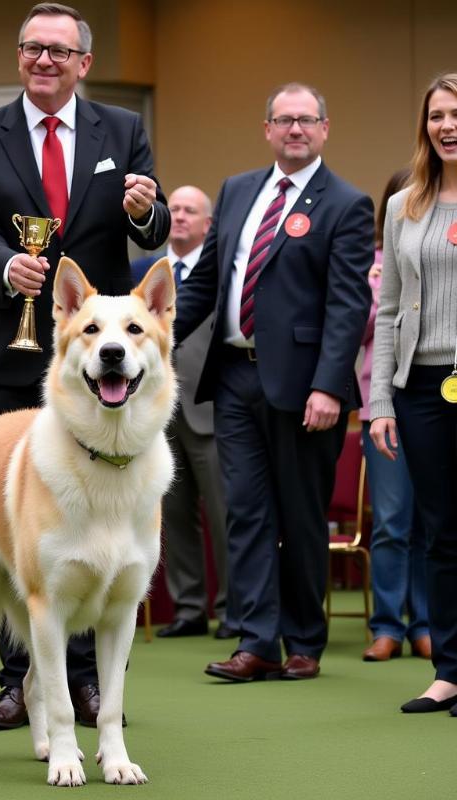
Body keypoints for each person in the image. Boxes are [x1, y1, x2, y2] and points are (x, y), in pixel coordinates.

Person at [0, 2, 170, 728]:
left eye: (58, 50)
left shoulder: (125, 129)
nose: (43, 60)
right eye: (31, 48)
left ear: (84, 61)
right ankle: (21, 683)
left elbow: (154, 220)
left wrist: (145, 213)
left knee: (101, 525)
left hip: (101, 341)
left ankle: (87, 686)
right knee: (26, 528)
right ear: (19, 57)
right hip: (12, 346)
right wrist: (2, 263)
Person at [174, 81, 374, 682]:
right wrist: (149, 338)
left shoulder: (346, 203)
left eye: (306, 120)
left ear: (324, 129)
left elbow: (345, 306)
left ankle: (305, 640)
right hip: (235, 376)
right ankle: (257, 641)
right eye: (284, 120)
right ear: (267, 129)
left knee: (301, 514)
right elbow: (205, 283)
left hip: (305, 387)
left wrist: (330, 386)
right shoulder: (235, 192)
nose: (294, 129)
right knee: (246, 512)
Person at [369, 73, 457, 714]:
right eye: (438, 116)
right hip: (421, 389)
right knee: (441, 533)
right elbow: (391, 310)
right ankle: (449, 671)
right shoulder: (406, 206)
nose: (448, 126)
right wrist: (379, 404)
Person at [131, 186, 234, 640]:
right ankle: (189, 607)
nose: (181, 216)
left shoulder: (223, 275)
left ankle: (234, 608)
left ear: (208, 225)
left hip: (206, 406)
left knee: (223, 510)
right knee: (170, 513)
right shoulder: (141, 275)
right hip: (153, 414)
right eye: (173, 209)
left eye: (191, 210)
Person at [360, 168, 429, 663]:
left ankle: (425, 623)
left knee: (432, 521)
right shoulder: (373, 263)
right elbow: (365, 330)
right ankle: (386, 625)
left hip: (433, 401)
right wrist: (375, 288)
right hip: (381, 406)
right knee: (389, 521)